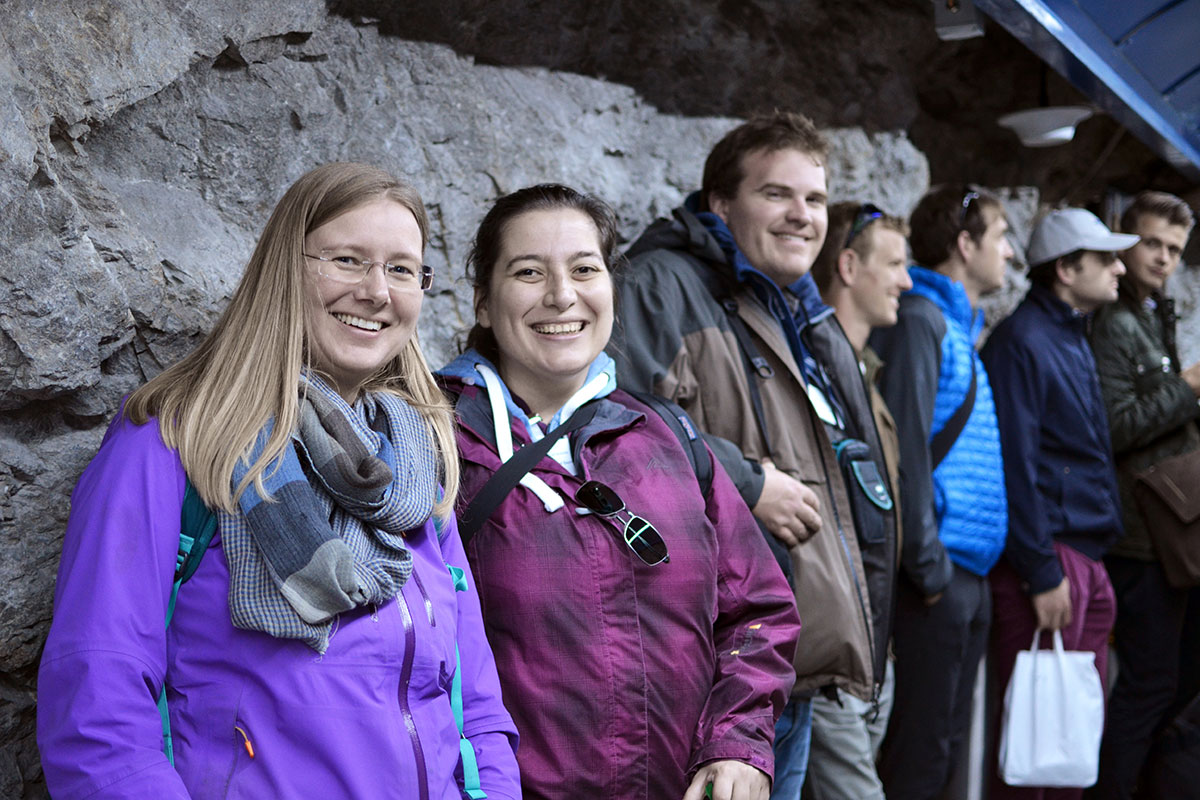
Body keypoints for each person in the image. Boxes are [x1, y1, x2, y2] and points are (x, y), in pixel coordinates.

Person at [37, 163, 521, 799]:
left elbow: (473, 701)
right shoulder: (177, 440)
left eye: (402, 269)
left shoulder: (415, 460)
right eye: (348, 259)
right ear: (285, 269)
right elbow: (97, 697)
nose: (377, 292)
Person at [438, 184, 800, 800]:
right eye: (529, 272)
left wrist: (737, 743)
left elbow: (758, 610)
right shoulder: (433, 444)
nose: (562, 295)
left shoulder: (667, 437)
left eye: (585, 269)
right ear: (482, 302)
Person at [611, 111, 895, 798]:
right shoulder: (660, 284)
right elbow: (609, 426)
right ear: (719, 203)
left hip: (779, 661)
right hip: (710, 673)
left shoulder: (785, 304)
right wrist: (744, 480)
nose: (802, 215)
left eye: (816, 199)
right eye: (777, 194)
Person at [981, 207, 1131, 799]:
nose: (1120, 268)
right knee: (1034, 746)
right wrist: (1041, 569)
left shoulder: (1066, 334)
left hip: (1083, 559)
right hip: (1051, 562)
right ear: (1066, 269)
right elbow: (1015, 464)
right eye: (1105, 258)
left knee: (1069, 742)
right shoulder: (1022, 341)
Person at [868, 184, 1012, 800]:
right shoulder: (923, 321)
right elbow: (904, 449)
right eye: (1001, 236)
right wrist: (927, 567)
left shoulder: (955, 325)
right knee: (921, 755)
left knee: (946, 747)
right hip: (939, 575)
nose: (1010, 252)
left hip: (965, 571)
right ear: (964, 243)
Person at [1088, 190, 1200, 800]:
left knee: (1175, 682)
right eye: (1152, 243)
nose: (1162, 258)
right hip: (1138, 537)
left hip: (1171, 535)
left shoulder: (1154, 312)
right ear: (1125, 241)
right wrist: (1189, 386)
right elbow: (1115, 424)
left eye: (1174, 249)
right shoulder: (1113, 319)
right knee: (1148, 686)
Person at [806, 201, 912, 800]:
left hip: (876, 643)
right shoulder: (812, 373)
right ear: (847, 265)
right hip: (832, 652)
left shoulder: (865, 371)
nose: (907, 280)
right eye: (894, 263)